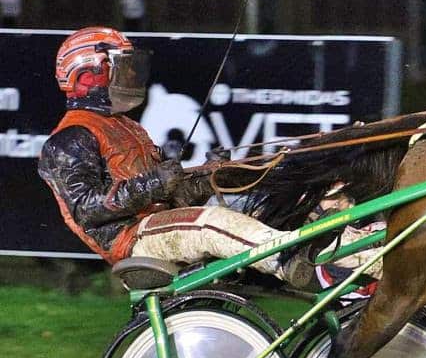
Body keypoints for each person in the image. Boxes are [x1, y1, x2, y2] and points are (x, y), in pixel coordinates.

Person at [36, 26, 318, 288]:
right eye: (122, 68)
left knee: (265, 209)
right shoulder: (69, 138)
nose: (132, 76)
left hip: (158, 225)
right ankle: (283, 257)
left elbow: (170, 197)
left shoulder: (128, 126)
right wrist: (153, 183)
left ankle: (348, 261)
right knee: (212, 223)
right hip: (131, 239)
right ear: (88, 76)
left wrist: (209, 178)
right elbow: (86, 208)